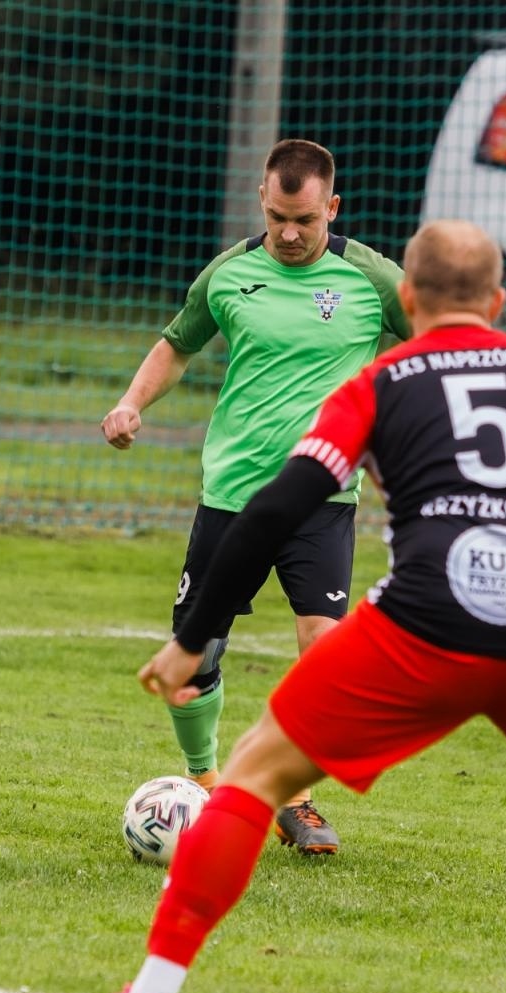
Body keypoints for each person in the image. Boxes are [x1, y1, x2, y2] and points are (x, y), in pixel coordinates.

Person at [75, 219, 506, 993]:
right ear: (499, 303)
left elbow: (276, 507)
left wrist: (190, 639)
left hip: (425, 627)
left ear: (410, 299)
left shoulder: (383, 381)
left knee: (253, 775)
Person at [101, 139, 411, 856]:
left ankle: (292, 796)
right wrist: (130, 403)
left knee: (322, 654)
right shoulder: (232, 272)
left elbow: (436, 340)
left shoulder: (371, 278)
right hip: (232, 495)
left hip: (322, 498)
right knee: (197, 652)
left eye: (304, 218)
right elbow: (177, 343)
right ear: (262, 205)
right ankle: (208, 782)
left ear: (332, 206)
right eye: (277, 218)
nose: (290, 233)